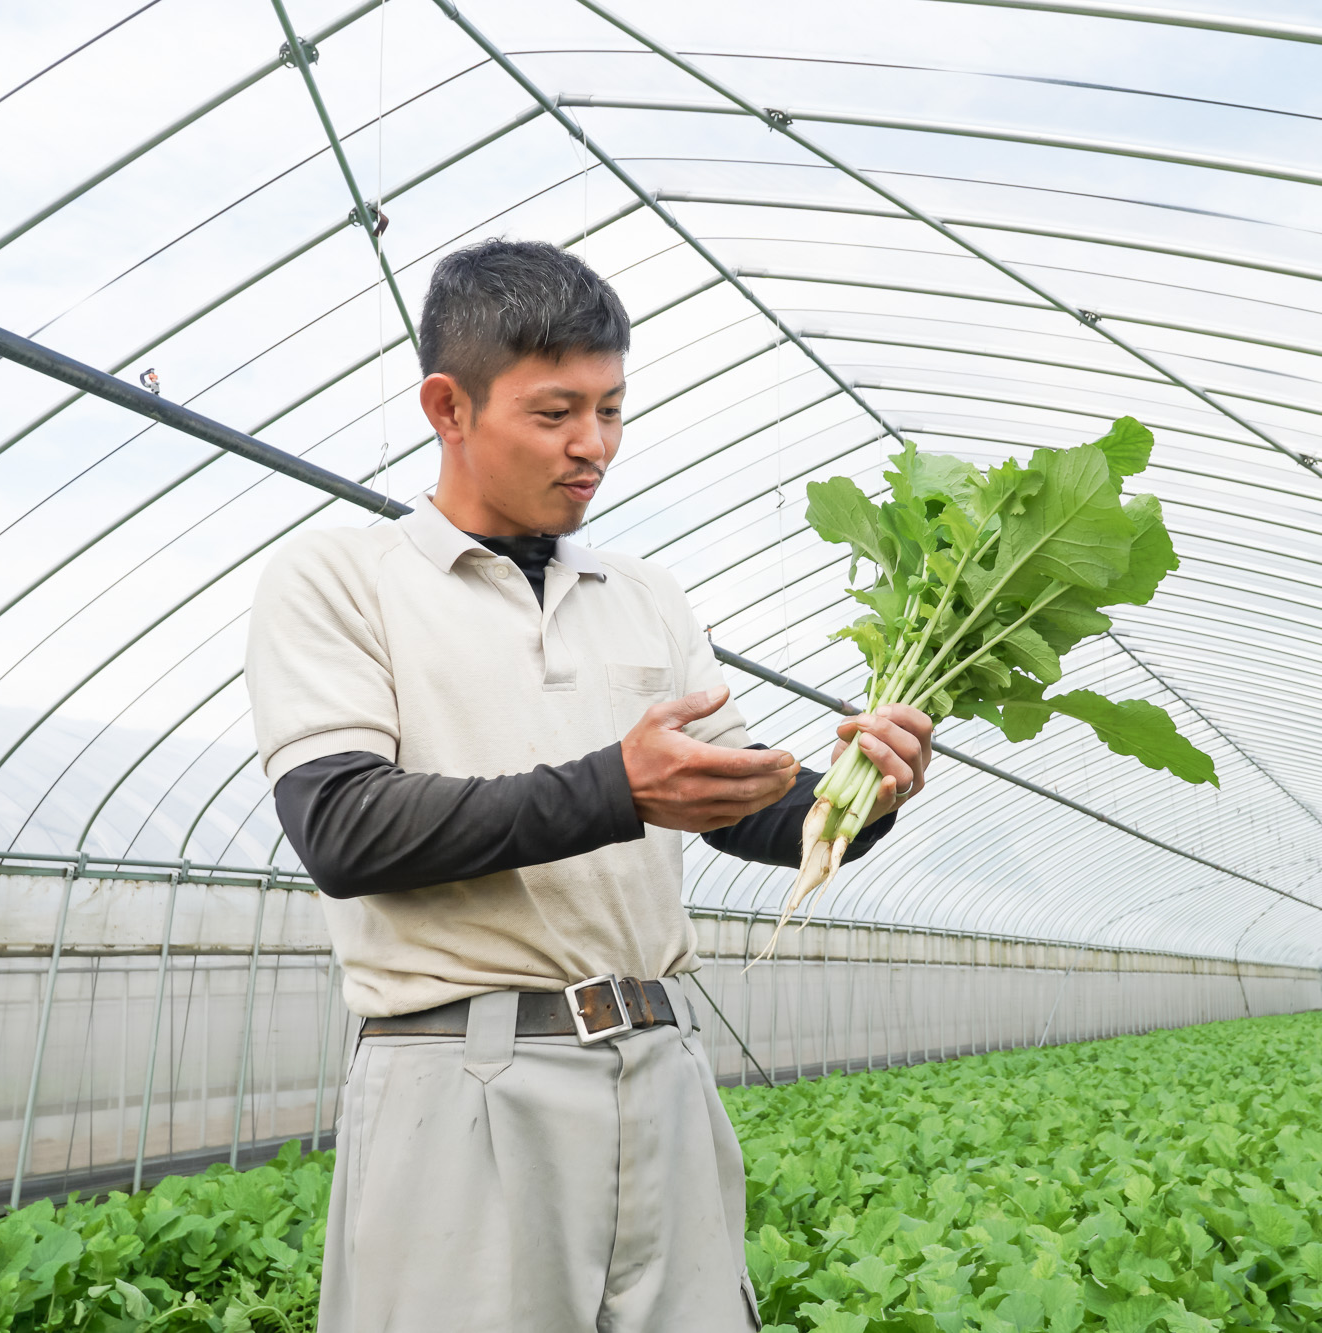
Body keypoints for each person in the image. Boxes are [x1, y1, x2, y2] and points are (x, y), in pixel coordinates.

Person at [244, 238, 933, 1333]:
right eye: (556, 412)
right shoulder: (340, 580)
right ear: (447, 405)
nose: (593, 446)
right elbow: (343, 827)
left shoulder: (644, 593)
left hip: (657, 1060)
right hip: (464, 1077)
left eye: (612, 410)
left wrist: (862, 796)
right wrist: (616, 785)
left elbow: (743, 805)